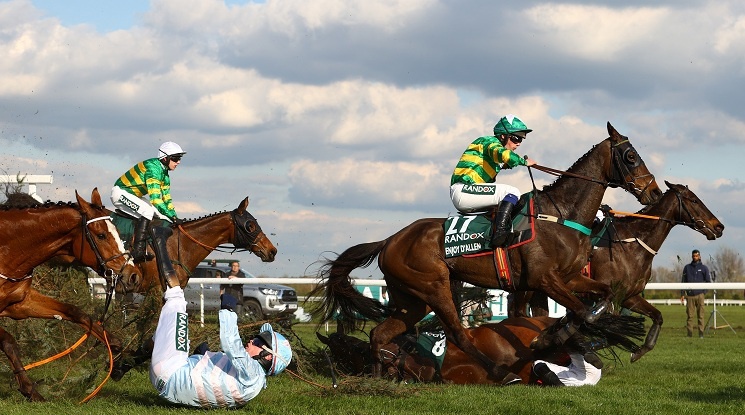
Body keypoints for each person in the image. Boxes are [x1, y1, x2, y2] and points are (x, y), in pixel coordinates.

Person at [149, 286, 292, 408]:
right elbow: (217, 382)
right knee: (170, 329)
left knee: (177, 297)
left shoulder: (253, 373)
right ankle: (137, 355)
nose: (251, 340)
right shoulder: (253, 385)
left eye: (258, 343)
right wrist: (202, 356)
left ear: (267, 356)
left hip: (170, 370)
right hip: (168, 383)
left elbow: (232, 344)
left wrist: (228, 310)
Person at [450, 114, 537, 247]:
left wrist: (508, 165)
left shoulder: (493, 152)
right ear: (503, 136)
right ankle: (500, 234)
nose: (518, 143)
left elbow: (499, 161)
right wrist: (523, 162)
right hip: (463, 190)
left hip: (468, 192)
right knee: (511, 192)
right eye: (516, 138)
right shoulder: (488, 141)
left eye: (521, 139)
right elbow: (503, 154)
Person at [111, 142, 186, 287]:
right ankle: (138, 250)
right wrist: (173, 217)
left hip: (133, 195)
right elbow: (156, 199)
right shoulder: (153, 168)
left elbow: (167, 199)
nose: (178, 162)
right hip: (120, 193)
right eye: (176, 158)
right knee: (148, 211)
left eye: (179, 158)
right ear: (165, 158)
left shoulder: (164, 174)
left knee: (161, 216)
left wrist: (173, 215)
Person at [680, 249, 711, 338]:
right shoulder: (687, 267)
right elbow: (683, 281)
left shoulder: (704, 268)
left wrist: (703, 292)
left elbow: (708, 281)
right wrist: (682, 294)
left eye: (696, 256)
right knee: (690, 316)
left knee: (701, 316)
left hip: (700, 295)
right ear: (692, 256)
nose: (695, 257)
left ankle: (701, 334)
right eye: (694, 256)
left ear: (699, 256)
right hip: (689, 296)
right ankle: (689, 334)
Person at [532, 352, 603, 387]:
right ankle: (585, 352)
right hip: (593, 372)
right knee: (572, 349)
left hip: (578, 381)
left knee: (538, 363)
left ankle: (558, 385)